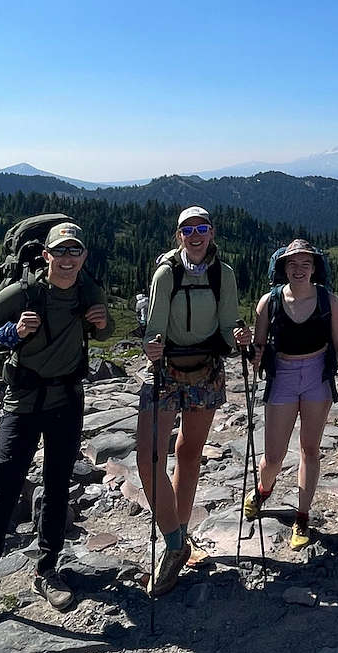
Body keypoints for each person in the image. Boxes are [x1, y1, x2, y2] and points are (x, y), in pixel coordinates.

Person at [0, 223, 113, 653]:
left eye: (75, 251)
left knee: (55, 486)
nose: (68, 259)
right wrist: (11, 334)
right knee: (0, 493)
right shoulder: (22, 293)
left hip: (67, 400)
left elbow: (103, 331)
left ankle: (46, 570)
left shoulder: (88, 291)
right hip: (24, 403)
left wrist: (103, 324)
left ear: (83, 257)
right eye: (60, 252)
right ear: (46, 256)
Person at [137, 205, 238, 596]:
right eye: (187, 230)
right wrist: (151, 346)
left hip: (205, 368)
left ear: (211, 233)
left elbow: (228, 325)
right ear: (178, 235)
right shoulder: (167, 273)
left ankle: (175, 543)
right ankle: (176, 540)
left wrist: (240, 339)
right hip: (169, 371)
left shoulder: (222, 274)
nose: (195, 235)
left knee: (189, 451)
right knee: (149, 459)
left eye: (202, 228)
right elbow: (156, 325)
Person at [237, 239, 338, 550]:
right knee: (273, 456)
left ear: (315, 268)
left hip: (317, 375)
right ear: (282, 267)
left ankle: (302, 516)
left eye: (305, 264)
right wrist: (251, 349)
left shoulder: (331, 301)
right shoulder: (269, 302)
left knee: (310, 449)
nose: (299, 269)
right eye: (292, 264)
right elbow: (258, 348)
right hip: (283, 376)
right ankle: (264, 488)